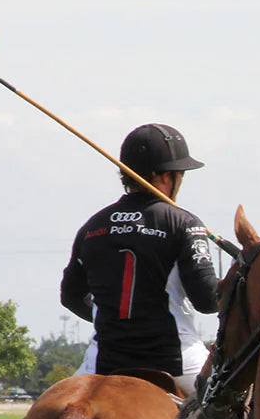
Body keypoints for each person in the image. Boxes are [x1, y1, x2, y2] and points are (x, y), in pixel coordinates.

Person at [61, 123, 219, 396]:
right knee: (241, 410)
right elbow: (207, 301)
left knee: (51, 410)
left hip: (101, 362)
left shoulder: (92, 227)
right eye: (179, 174)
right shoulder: (185, 223)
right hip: (177, 362)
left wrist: (115, 322)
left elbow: (71, 297)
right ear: (163, 176)